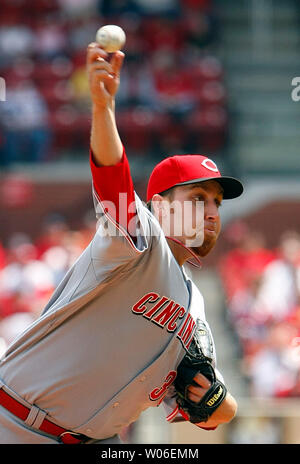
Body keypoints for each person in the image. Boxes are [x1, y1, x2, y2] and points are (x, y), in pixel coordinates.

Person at [0, 43, 243, 444]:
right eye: (197, 199)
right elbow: (113, 181)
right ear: (160, 207)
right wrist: (103, 108)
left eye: (216, 202)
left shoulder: (196, 313)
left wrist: (220, 405)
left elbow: (208, 411)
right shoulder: (137, 240)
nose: (212, 212)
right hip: (15, 424)